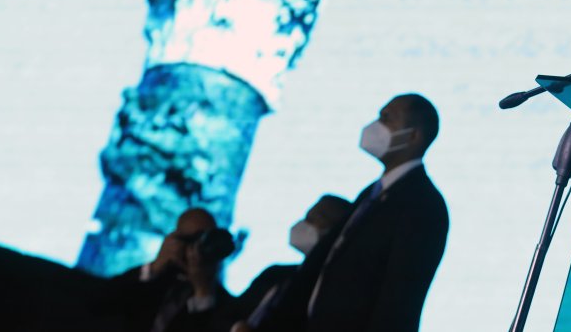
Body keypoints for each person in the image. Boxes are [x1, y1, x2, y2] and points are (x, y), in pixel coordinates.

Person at [256, 94, 448, 332]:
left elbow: (399, 297)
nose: (376, 125)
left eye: (387, 118)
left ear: (413, 136)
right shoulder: (371, 194)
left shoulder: (423, 204)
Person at [93, 207, 235, 332]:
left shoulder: (221, 305)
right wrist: (155, 267)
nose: (197, 250)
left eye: (207, 241)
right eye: (192, 239)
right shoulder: (154, 280)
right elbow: (100, 304)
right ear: (175, 239)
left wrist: (202, 291)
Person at [229, 195, 352, 331]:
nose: (304, 224)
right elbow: (230, 314)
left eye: (315, 219)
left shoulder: (334, 290)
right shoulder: (275, 274)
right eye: (306, 218)